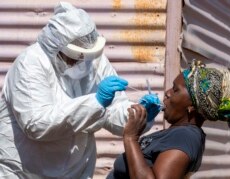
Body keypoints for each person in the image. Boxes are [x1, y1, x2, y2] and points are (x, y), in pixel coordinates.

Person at [0, 2, 161, 179]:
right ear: (56, 47)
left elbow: (113, 111)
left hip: (76, 172)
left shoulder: (93, 60)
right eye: (74, 57)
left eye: (85, 57)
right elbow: (37, 124)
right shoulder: (30, 64)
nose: (81, 64)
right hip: (25, 173)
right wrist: (95, 103)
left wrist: (139, 115)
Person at [107, 60, 230, 179]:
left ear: (192, 106)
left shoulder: (185, 136)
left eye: (175, 90)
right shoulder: (178, 132)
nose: (167, 93)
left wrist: (131, 137)